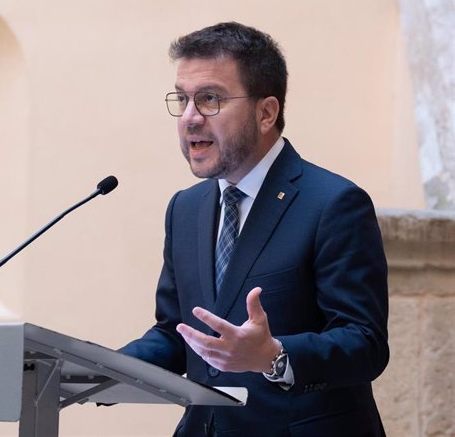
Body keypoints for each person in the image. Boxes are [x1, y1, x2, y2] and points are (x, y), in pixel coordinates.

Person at [119, 22, 389, 436]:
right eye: (183, 99)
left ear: (266, 113)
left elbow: (365, 344)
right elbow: (179, 334)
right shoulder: (185, 209)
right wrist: (101, 368)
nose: (190, 118)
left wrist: (274, 356)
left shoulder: (333, 203)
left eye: (209, 99)